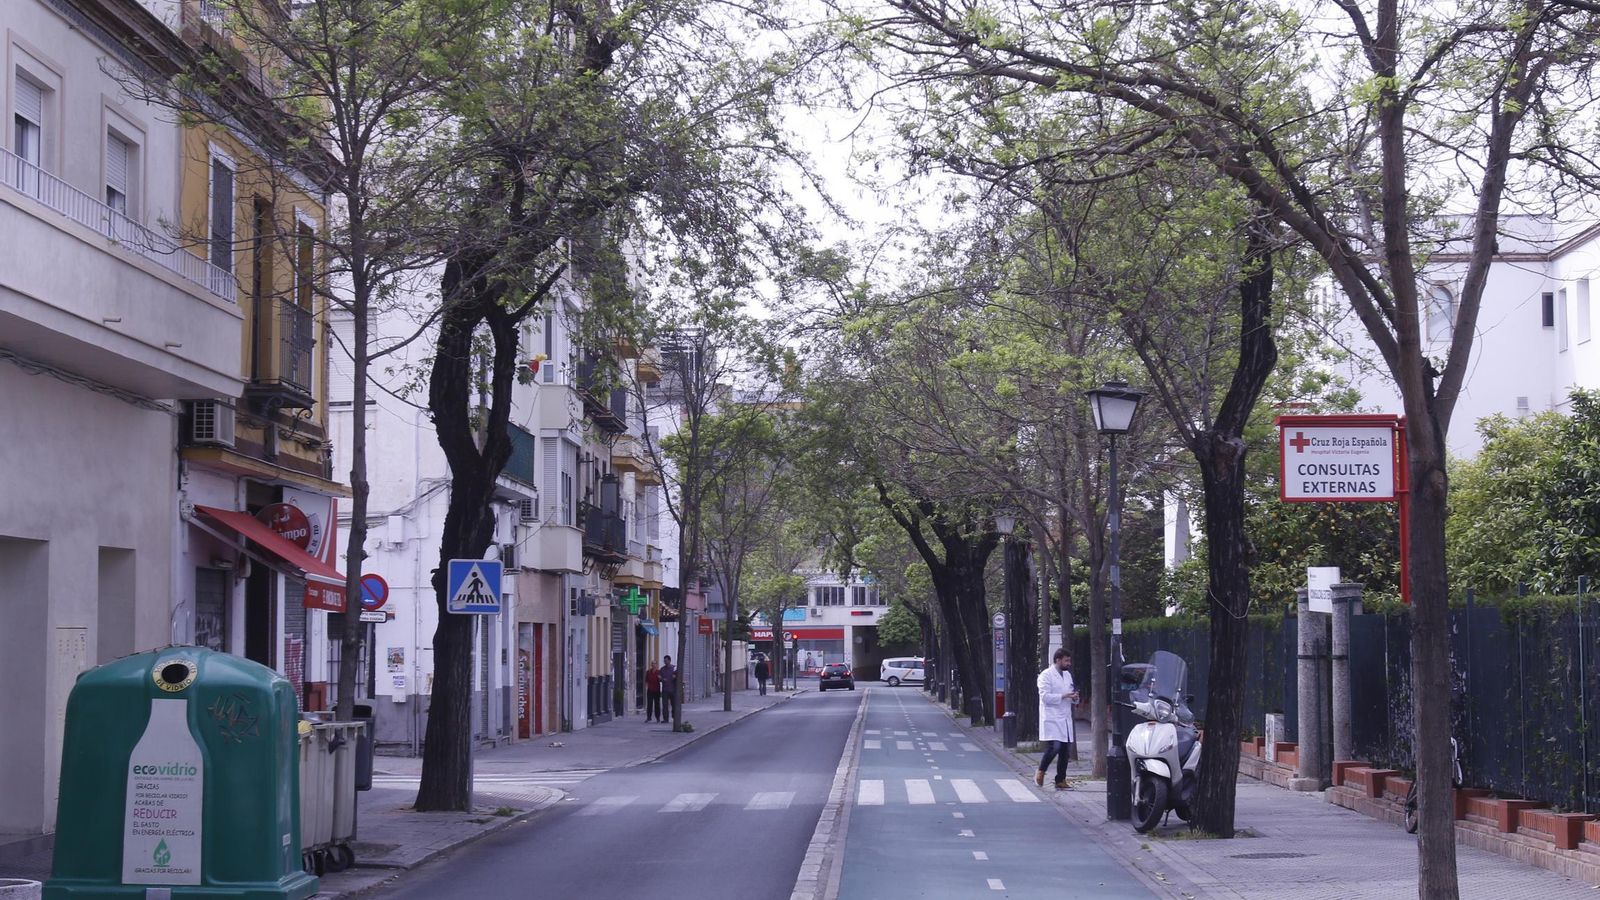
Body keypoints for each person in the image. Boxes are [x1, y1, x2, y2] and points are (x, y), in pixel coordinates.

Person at [1036, 648, 1079, 789]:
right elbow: (1045, 697)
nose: (1069, 663)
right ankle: (1041, 770)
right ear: (1058, 660)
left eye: (1070, 660)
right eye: (1066, 660)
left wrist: (1074, 698)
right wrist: (1063, 696)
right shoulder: (1045, 675)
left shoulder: (1067, 676)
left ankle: (1060, 780)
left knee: (1065, 750)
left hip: (1065, 717)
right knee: (1055, 747)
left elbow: (1071, 694)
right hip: (1052, 717)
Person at [659, 655, 678, 722]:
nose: (665, 661)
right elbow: (659, 678)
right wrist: (661, 679)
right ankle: (665, 719)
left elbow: (678, 677)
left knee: (674, 704)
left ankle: (674, 717)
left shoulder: (674, 668)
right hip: (665, 690)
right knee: (665, 705)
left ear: (669, 660)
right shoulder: (662, 669)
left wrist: (675, 677)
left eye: (666, 660)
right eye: (664, 660)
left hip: (673, 689)